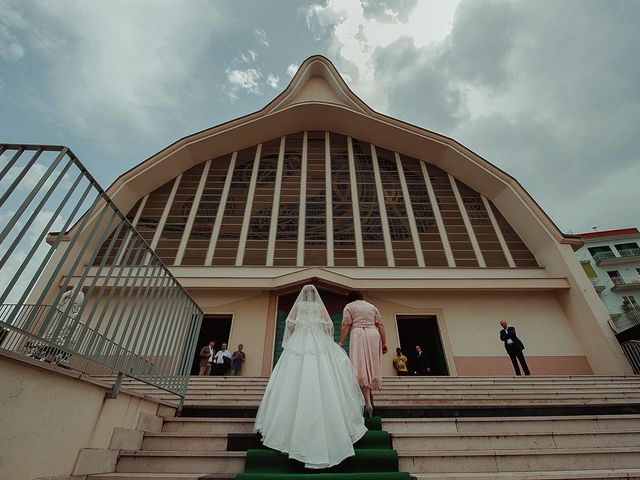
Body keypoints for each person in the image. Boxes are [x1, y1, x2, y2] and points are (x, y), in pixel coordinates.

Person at [254, 285, 367, 469]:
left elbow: (289, 324)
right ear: (315, 296)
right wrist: (325, 337)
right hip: (316, 338)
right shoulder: (319, 308)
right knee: (324, 374)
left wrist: (296, 331)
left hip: (300, 338)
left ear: (303, 295)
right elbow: (328, 324)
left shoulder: (298, 307)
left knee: (292, 377)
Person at [338, 291, 387, 418]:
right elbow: (380, 325)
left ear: (350, 299)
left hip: (358, 334)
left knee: (360, 366)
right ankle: (369, 399)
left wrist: (341, 342)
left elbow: (345, 325)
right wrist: (384, 343)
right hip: (373, 334)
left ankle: (367, 402)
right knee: (371, 366)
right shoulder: (372, 306)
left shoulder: (349, 307)